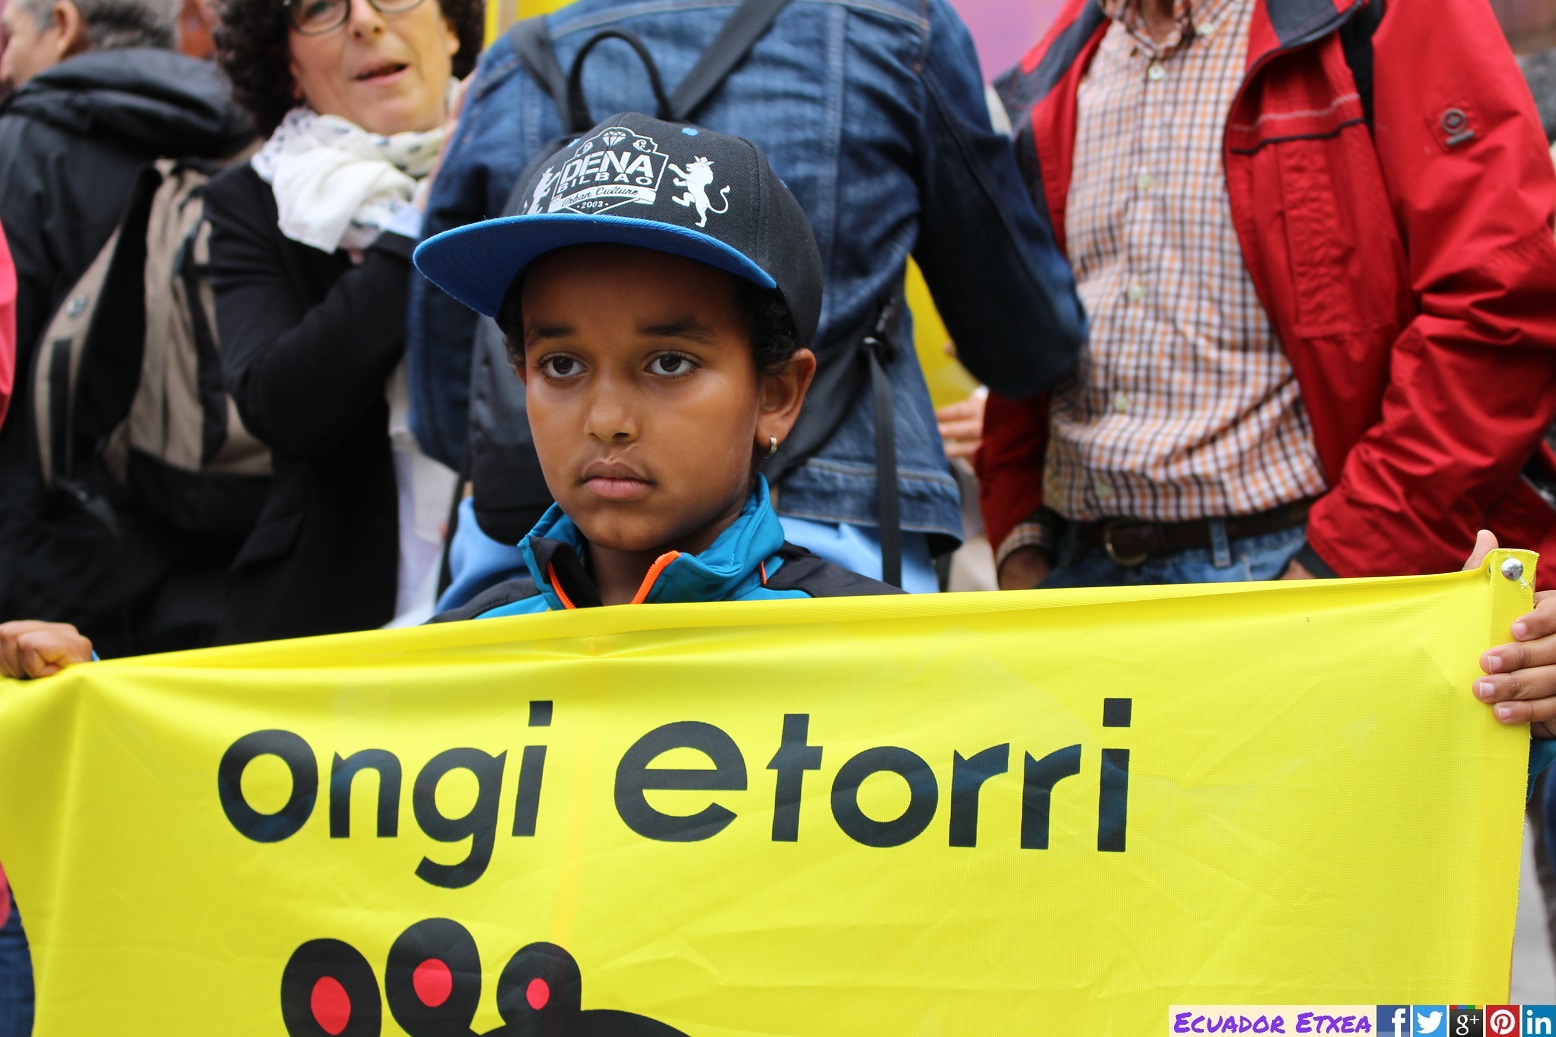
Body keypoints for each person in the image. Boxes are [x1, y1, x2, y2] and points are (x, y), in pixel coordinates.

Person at [408, 0, 1086, 603]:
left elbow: (442, 413)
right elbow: (1024, 339)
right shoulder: (896, 27)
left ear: (782, 391)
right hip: (848, 518)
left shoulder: (510, 67)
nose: (607, 419)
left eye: (669, 362)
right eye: (560, 365)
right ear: (523, 371)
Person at [978, 0, 1556, 592]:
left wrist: (1343, 559)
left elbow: (1496, 304)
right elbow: (1023, 332)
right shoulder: (1067, 57)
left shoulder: (1385, 14)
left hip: (1295, 565)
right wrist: (1021, 543)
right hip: (1078, 572)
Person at [204, 0, 481, 640]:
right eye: (319, 7)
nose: (364, 20)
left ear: (449, 26)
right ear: (287, 64)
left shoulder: (540, 165)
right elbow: (282, 403)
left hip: (515, 590)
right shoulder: (254, 198)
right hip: (322, 623)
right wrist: (424, 223)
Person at [0, 0, 253, 657]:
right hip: (230, 555)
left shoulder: (23, 146)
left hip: (57, 572)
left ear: (62, 25)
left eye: (8, 36)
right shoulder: (245, 132)